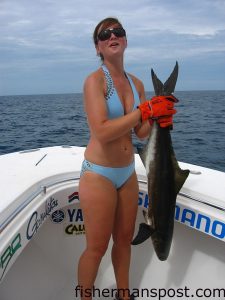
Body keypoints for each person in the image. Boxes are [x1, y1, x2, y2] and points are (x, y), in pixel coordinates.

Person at [78, 17, 177, 300]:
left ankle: (124, 296)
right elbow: (102, 130)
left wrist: (161, 118)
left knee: (123, 241)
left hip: (127, 172)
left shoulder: (136, 83)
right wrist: (144, 110)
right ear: (98, 47)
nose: (112, 36)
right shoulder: (94, 81)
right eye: (104, 34)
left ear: (125, 40)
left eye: (118, 32)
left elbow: (142, 133)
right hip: (99, 174)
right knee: (96, 248)